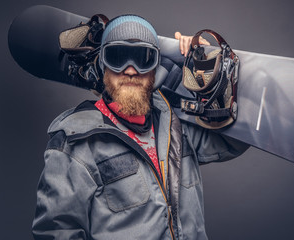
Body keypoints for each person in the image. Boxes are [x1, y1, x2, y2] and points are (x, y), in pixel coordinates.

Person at [32, 14, 248, 240]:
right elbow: (56, 232)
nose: (131, 70)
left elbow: (235, 140)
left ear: (155, 69)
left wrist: (205, 68)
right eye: (118, 57)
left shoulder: (176, 124)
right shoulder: (76, 144)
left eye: (142, 59)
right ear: (104, 66)